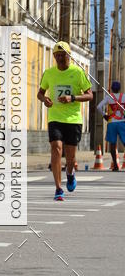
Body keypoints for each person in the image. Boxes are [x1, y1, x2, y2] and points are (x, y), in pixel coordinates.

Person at [37, 41, 93, 201]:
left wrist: (72, 98)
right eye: (58, 56)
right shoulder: (49, 73)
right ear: (54, 56)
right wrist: (44, 99)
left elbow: (90, 95)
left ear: (70, 56)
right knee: (56, 148)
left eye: (64, 56)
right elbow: (40, 93)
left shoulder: (78, 73)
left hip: (73, 119)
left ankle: (70, 173)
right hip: (55, 117)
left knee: (70, 158)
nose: (61, 59)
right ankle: (58, 188)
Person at [97, 80, 125, 171]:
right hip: (122, 122)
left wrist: (104, 115)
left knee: (112, 145)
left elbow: (98, 107)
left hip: (111, 123)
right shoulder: (124, 96)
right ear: (120, 88)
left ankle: (115, 165)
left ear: (112, 89)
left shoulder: (109, 97)